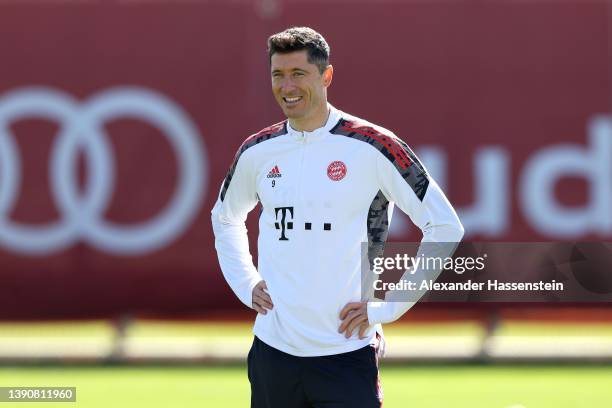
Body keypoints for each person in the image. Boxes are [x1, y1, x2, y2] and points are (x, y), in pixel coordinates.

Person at [211, 26, 464, 408]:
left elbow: (445, 226)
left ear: (326, 76)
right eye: (278, 74)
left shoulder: (375, 145)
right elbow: (225, 217)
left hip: (347, 354)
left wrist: (389, 307)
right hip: (272, 354)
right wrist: (245, 283)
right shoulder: (257, 151)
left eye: (299, 74)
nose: (287, 86)